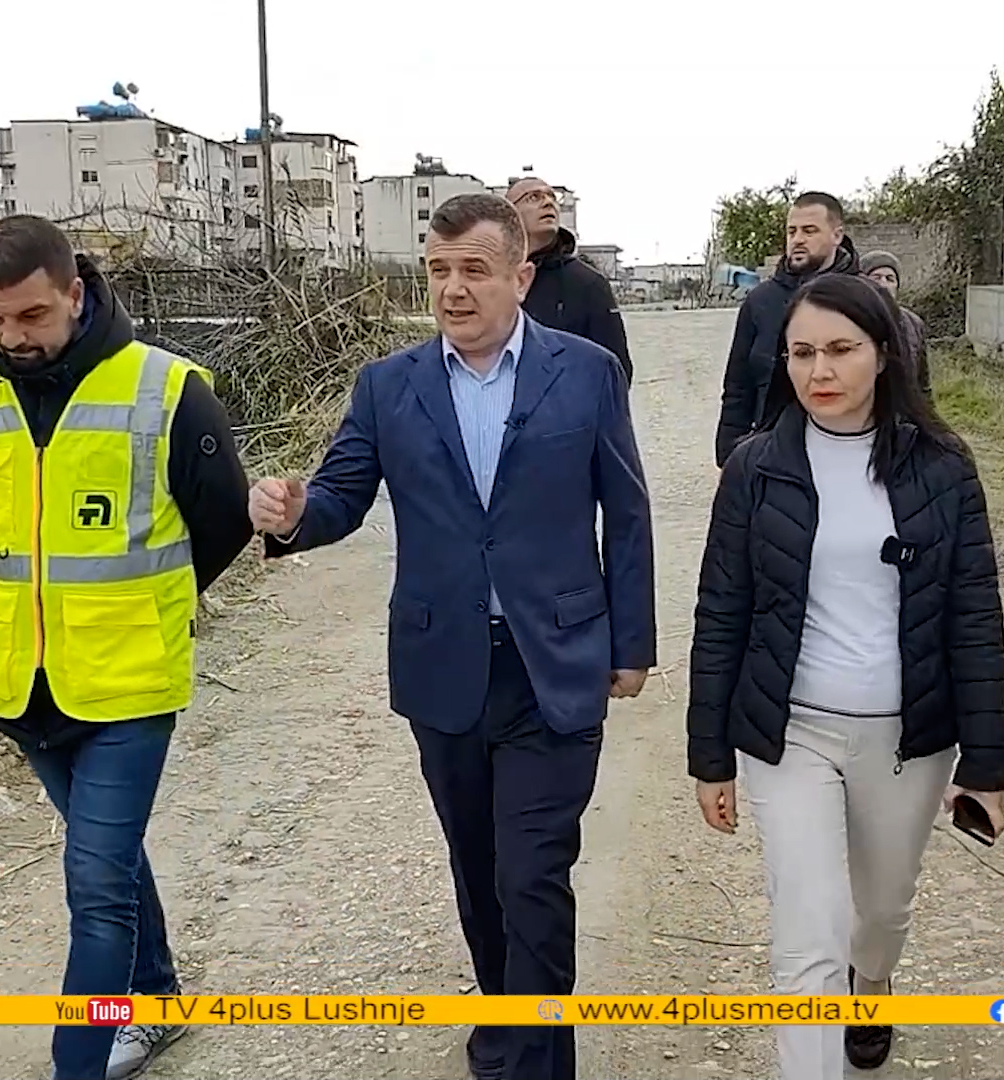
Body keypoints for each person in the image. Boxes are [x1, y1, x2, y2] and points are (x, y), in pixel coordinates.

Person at [247, 192, 656, 1080]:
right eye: (439, 271)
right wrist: (293, 513)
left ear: (521, 276)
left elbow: (626, 512)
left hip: (553, 665)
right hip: (446, 668)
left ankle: (536, 1062)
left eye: (474, 269)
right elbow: (341, 494)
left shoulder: (585, 374)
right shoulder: (389, 386)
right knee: (479, 871)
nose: (454, 289)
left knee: (532, 877)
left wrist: (632, 644)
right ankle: (505, 1020)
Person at [0, 216, 253, 1080]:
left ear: (75, 293)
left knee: (96, 888)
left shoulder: (167, 389)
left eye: (32, 316)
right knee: (104, 854)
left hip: (131, 683)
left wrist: (142, 605)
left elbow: (223, 522)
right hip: (22, 682)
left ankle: (76, 1064)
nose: (12, 338)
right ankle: (156, 1001)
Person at [688, 272, 1004, 1077]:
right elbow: (721, 613)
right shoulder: (755, 470)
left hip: (908, 738)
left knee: (881, 912)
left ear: (884, 353)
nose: (820, 370)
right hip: (790, 733)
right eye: (801, 353)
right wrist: (709, 756)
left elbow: (975, 618)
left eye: (840, 349)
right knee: (809, 935)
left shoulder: (944, 467)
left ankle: (874, 981)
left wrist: (988, 765)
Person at [715, 192, 860, 466]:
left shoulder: (865, 297)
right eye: (792, 231)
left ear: (837, 235)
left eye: (809, 231)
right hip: (773, 455)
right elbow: (738, 386)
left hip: (850, 450)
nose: (798, 239)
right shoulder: (760, 301)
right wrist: (730, 455)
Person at [506, 176, 633, 384]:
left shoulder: (588, 284)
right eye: (534, 197)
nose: (548, 202)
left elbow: (616, 372)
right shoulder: (492, 278)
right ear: (508, 213)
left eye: (552, 197)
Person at [857, 250, 933, 398]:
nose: (884, 284)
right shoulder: (852, 320)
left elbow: (923, 382)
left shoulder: (913, 323)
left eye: (890, 279)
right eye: (876, 277)